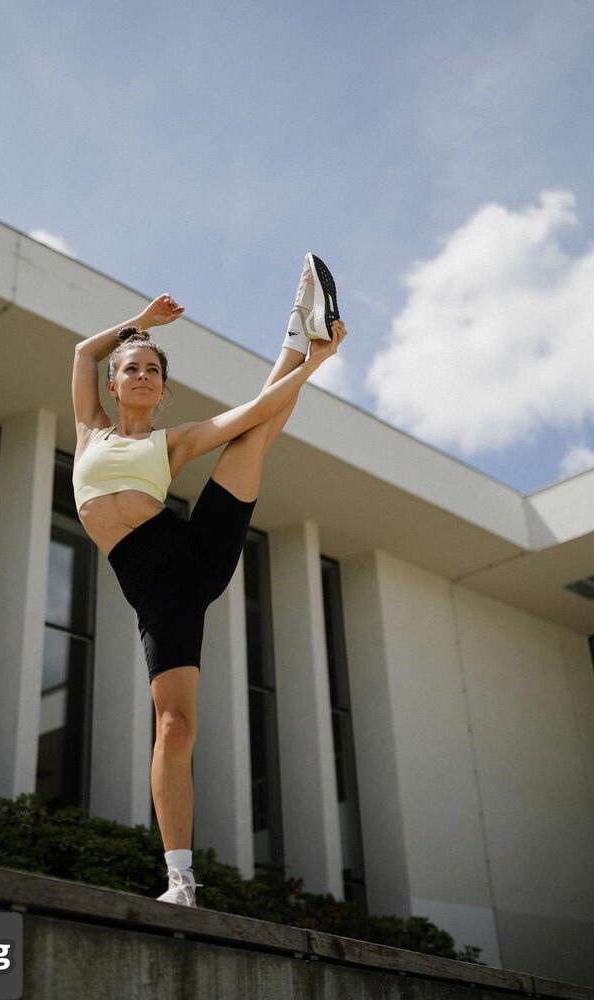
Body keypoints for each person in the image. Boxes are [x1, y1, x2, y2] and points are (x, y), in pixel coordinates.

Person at [71, 255, 348, 907]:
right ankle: (182, 880)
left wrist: (318, 364)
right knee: (174, 726)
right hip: (157, 591)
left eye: (153, 370)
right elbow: (83, 352)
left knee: (255, 431)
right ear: (114, 384)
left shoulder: (172, 441)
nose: (142, 374)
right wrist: (140, 322)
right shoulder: (89, 431)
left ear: (163, 389)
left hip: (190, 558)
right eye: (132, 368)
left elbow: (255, 409)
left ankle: (300, 329)